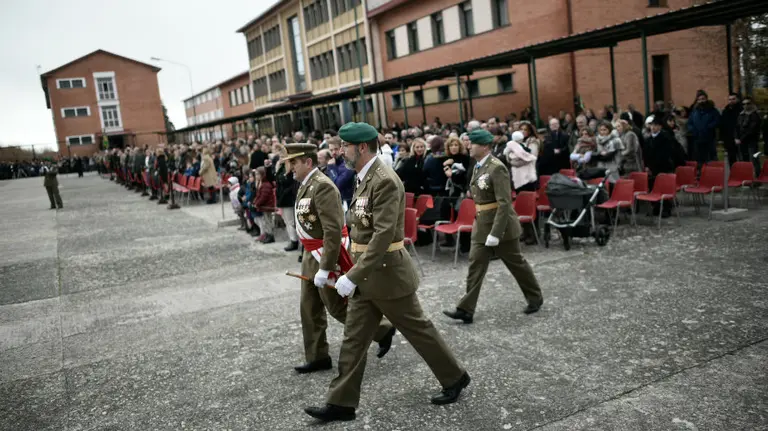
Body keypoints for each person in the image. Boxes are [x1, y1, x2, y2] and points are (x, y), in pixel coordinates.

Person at [305, 122, 470, 423]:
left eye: (344, 146)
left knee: (419, 330)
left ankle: (455, 376)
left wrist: (351, 275)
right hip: (367, 276)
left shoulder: (385, 180)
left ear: (362, 147)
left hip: (388, 275)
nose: (340, 151)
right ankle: (341, 403)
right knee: (354, 340)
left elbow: (382, 237)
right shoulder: (362, 177)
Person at [282, 143, 395, 375]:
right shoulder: (306, 184)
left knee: (337, 307)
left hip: (325, 254)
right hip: (310, 255)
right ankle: (317, 356)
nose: (289, 167)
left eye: (294, 163)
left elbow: (333, 231)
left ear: (308, 162)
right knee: (309, 307)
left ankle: (382, 330)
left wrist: (325, 268)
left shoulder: (322, 186)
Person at [443, 129, 544, 324]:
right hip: (482, 225)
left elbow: (504, 203)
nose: (468, 146)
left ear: (485, 146)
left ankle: (535, 298)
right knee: (475, 266)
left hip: (502, 228)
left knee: (516, 264)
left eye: (473, 143)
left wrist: (496, 233)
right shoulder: (478, 166)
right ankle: (466, 309)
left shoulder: (497, 167)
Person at [687, 90, 721, 165]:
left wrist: (708, 127)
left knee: (711, 157)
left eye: (703, 99)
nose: (701, 101)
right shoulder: (694, 112)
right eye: (699, 99)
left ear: (706, 99)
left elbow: (717, 121)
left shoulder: (712, 110)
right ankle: (700, 172)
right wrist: (693, 130)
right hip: (697, 138)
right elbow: (689, 123)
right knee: (698, 158)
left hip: (709, 138)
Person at [735, 96, 762, 176]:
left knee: (754, 159)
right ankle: (746, 178)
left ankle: (757, 177)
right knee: (744, 160)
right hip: (742, 142)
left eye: (748, 103)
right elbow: (737, 127)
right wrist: (736, 137)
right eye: (744, 104)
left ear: (752, 104)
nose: (746, 105)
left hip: (752, 141)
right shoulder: (741, 115)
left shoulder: (755, 115)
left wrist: (741, 139)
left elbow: (751, 130)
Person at [720, 92, 743, 166]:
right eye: (730, 99)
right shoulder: (725, 111)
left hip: (740, 137)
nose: (731, 101)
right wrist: (723, 138)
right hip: (728, 138)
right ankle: (733, 173)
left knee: (742, 158)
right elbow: (722, 125)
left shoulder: (741, 110)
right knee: (731, 158)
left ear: (737, 100)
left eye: (733, 99)